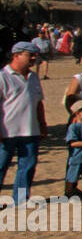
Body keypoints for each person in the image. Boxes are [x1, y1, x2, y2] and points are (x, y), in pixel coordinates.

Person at [0, 42, 47, 204]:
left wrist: (42, 123)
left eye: (35, 55)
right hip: (6, 132)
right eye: (30, 55)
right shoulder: (2, 76)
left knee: (27, 167)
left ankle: (20, 200)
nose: (34, 58)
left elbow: (38, 102)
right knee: (1, 166)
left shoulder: (33, 77)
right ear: (16, 55)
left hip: (30, 131)